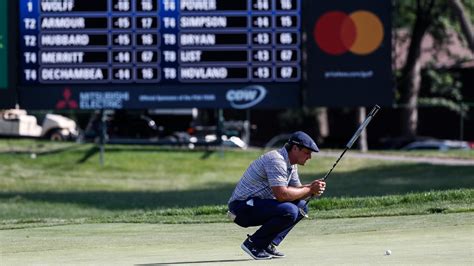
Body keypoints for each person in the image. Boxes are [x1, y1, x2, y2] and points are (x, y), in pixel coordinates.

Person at [227, 131, 326, 260]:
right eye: (307, 153)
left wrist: (313, 188)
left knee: (301, 207)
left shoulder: (291, 163)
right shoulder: (276, 160)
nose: (310, 157)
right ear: (295, 148)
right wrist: (309, 190)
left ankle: (267, 244)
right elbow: (282, 195)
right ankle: (253, 244)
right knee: (289, 210)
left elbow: (296, 192)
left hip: (256, 205)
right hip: (241, 208)